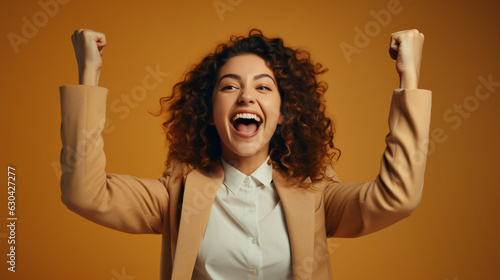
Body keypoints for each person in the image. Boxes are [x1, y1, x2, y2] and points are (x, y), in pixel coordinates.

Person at [59, 28, 431, 280]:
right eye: (229, 86)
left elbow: (396, 197)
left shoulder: (316, 195)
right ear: (208, 113)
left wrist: (409, 78)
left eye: (264, 87)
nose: (246, 96)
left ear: (285, 113)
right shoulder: (178, 195)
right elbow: (85, 192)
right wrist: (89, 72)